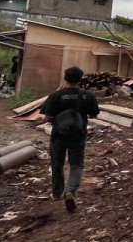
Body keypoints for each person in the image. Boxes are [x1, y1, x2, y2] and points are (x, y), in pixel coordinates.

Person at [40, 66, 99, 212]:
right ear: (80, 79)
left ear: (65, 78)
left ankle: (56, 193)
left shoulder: (55, 96)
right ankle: (70, 191)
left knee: (57, 163)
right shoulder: (87, 95)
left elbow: (47, 117)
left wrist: (60, 119)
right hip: (79, 134)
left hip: (58, 135)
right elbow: (94, 115)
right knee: (76, 164)